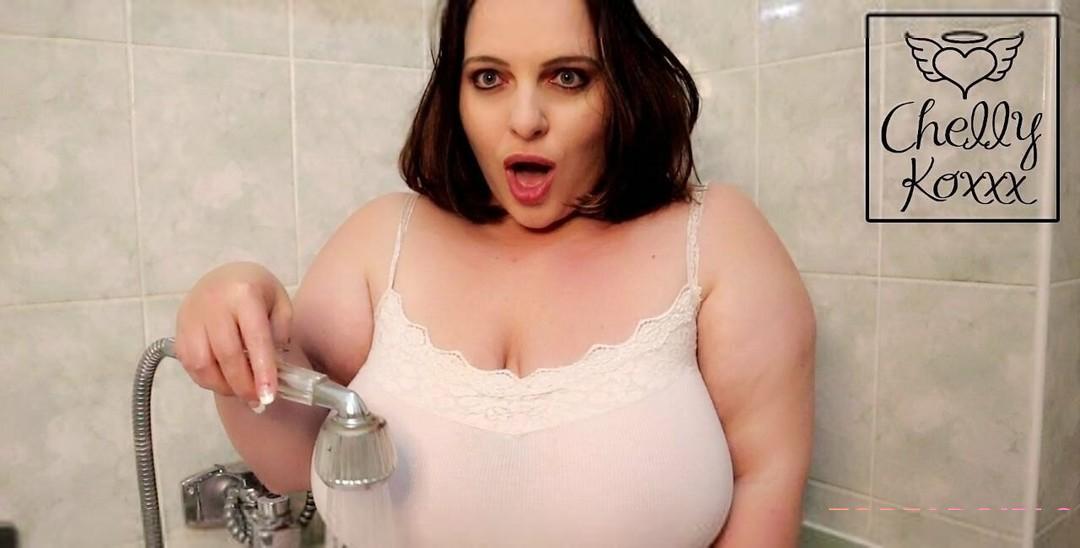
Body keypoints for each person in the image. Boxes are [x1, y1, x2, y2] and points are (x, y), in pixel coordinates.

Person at [174, 0, 816, 546]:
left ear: (622, 85)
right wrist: (232, 318)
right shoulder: (380, 239)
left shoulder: (717, 238)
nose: (525, 119)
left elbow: (764, 485)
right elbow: (292, 463)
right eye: (489, 78)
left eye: (567, 77)